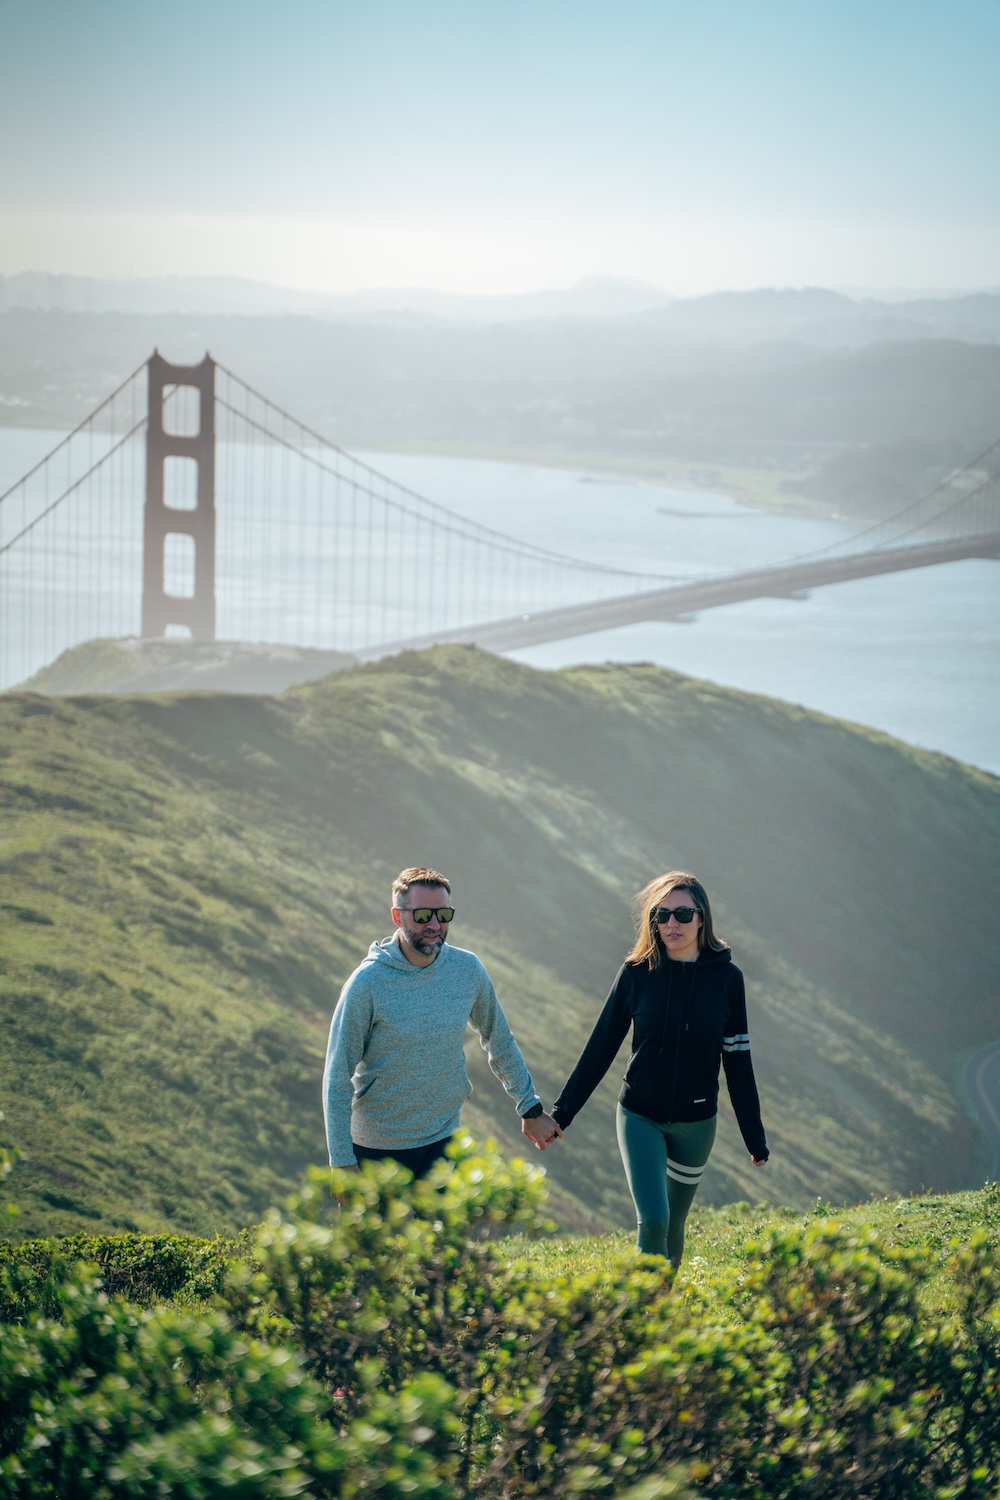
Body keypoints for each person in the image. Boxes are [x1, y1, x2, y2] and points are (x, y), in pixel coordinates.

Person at [551, 870, 768, 1266]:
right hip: (640, 1115)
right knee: (653, 1219)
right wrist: (562, 1114)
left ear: (702, 918)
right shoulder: (636, 974)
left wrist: (754, 1137)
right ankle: (640, 1314)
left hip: (697, 1122)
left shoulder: (727, 981)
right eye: (661, 915)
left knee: (673, 1225)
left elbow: (738, 1062)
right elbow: (600, 1048)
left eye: (683, 915)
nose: (672, 924)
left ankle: (660, 1317)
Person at [323, 866, 562, 1177]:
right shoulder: (367, 984)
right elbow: (337, 1075)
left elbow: (499, 1040)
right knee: (374, 1229)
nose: (434, 925)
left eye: (443, 915)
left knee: (456, 1228)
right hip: (376, 1149)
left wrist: (529, 1109)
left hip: (444, 1142)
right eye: (423, 916)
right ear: (398, 917)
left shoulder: (466, 970)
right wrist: (341, 1160)